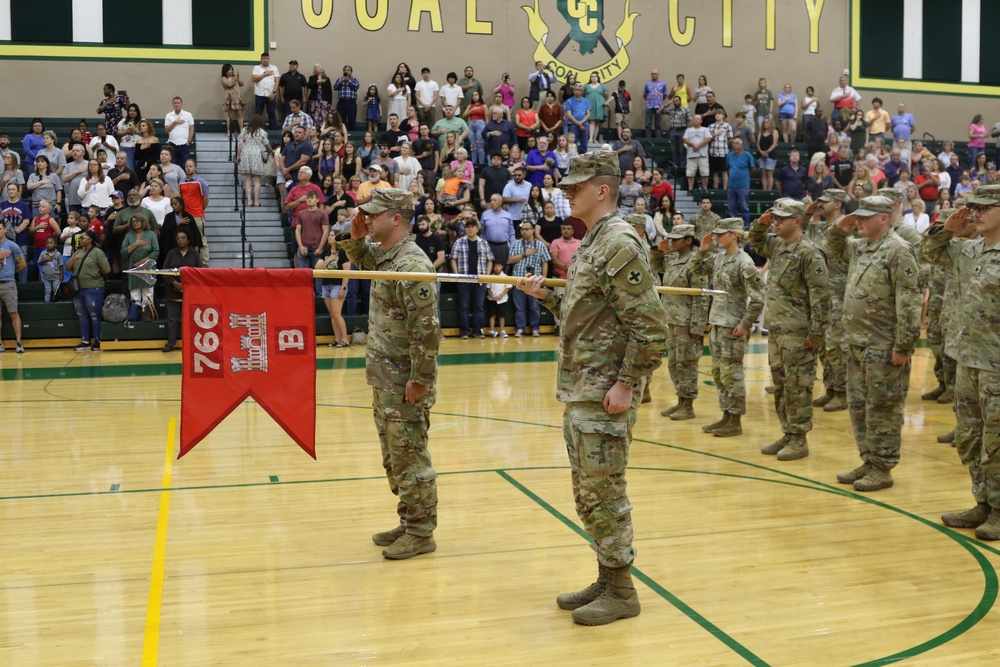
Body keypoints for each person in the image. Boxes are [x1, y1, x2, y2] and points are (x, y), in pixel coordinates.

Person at [517, 150, 667, 626]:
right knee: (588, 493)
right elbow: (586, 321)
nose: (566, 194)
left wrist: (626, 383)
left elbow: (652, 330)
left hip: (604, 393)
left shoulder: (619, 242)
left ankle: (622, 591)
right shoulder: (593, 243)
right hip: (583, 389)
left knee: (605, 494)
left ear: (602, 190)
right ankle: (606, 576)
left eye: (574, 187)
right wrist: (547, 298)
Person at [338, 189, 440, 558]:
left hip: (404, 380)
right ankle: (409, 518)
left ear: (396, 219)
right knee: (395, 456)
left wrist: (421, 379)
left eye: (373, 215)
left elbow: (426, 329)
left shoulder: (412, 264)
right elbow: (364, 260)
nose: (367, 218)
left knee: (410, 456)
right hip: (386, 377)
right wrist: (355, 237)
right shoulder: (388, 256)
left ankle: (421, 531)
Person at [827, 196, 921, 491]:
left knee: (884, 407)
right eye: (858, 216)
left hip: (883, 346)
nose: (859, 221)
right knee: (858, 406)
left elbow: (909, 302)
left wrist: (903, 346)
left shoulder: (898, 250)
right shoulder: (860, 247)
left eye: (865, 217)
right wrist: (839, 230)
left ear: (883, 217)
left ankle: (883, 466)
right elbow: (831, 250)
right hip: (856, 344)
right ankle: (869, 459)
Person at [923, 192, 1000, 538]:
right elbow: (931, 253)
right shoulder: (971, 250)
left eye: (984, 208)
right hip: (968, 359)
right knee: (970, 437)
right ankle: (982, 503)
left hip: (996, 364)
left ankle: (999, 510)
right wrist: (945, 228)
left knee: (996, 441)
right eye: (974, 208)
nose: (976, 213)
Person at [749, 199, 830, 460]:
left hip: (798, 333)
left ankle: (799, 438)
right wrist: (760, 225)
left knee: (799, 387)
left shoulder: (809, 253)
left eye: (781, 219)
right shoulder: (778, 246)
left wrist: (816, 335)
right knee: (782, 387)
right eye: (774, 218)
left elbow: (821, 298)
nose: (776, 223)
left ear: (797, 221)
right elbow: (757, 242)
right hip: (778, 331)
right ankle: (788, 431)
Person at [690, 218, 765, 437]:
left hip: (733, 326)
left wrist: (745, 324)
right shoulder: (719, 259)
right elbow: (697, 270)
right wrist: (702, 251)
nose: (717, 237)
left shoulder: (744, 262)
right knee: (718, 372)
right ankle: (726, 415)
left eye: (722, 233)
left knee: (732, 373)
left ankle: (735, 419)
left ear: (734, 234)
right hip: (717, 323)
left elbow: (759, 297)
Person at [656, 224, 709, 421]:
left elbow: (701, 297)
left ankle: (688, 405)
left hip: (687, 322)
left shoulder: (696, 262)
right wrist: (659, 252)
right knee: (674, 364)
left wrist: (697, 326)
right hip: (672, 319)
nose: (672, 242)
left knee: (687, 363)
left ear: (688, 240)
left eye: (676, 239)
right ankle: (680, 400)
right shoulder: (673, 259)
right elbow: (657, 267)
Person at [65, 229, 110, 351]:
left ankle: (97, 340)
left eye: (82, 238)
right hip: (78, 288)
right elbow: (68, 267)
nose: (80, 240)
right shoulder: (77, 252)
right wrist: (75, 258)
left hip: (93, 288)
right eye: (79, 238)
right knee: (81, 315)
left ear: (90, 240)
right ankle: (85, 341)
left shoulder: (97, 253)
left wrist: (95, 275)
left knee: (95, 315)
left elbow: (107, 270)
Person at [160, 228, 203, 353]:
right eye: (178, 238)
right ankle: (171, 343)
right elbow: (164, 271)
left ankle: (191, 344)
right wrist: (174, 283)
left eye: (183, 238)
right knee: (173, 319)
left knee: (190, 319)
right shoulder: (171, 253)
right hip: (172, 290)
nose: (180, 240)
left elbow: (199, 272)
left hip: (190, 292)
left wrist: (187, 284)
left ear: (188, 240)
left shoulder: (195, 254)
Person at [450, 217, 493, 339]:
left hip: (480, 280)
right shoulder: (459, 242)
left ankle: (478, 331)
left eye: (472, 227)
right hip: (463, 279)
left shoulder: (483, 243)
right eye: (467, 227)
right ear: (465, 229)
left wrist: (487, 276)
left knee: (478, 306)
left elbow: (490, 260)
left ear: (477, 229)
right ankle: (464, 332)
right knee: (464, 306)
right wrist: (457, 275)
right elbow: (453, 259)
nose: (470, 229)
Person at [508, 220, 550, 337]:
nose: (524, 231)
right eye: (522, 229)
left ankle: (535, 328)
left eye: (527, 229)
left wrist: (544, 280)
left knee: (534, 307)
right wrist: (524, 254)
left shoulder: (540, 245)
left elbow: (545, 263)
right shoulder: (516, 244)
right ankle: (520, 329)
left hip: (535, 282)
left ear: (533, 230)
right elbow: (510, 260)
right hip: (519, 281)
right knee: (519, 307)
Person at [0, 221, 26, 352]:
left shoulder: (12, 245)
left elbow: (22, 264)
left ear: (4, 230)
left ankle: (19, 343)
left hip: (8, 283)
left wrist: (10, 272)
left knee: (13, 313)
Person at [237, 114, 269, 208]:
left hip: (246, 154)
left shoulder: (245, 129)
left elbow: (240, 143)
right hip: (256, 154)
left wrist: (238, 156)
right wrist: (271, 150)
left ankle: (249, 201)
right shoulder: (262, 132)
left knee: (248, 179)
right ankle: (256, 202)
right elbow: (267, 144)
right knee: (257, 179)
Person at [726, 138, 755, 226]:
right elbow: (728, 168)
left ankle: (746, 224)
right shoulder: (729, 156)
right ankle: (733, 224)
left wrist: (745, 176)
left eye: (737, 143)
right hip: (731, 186)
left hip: (743, 186)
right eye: (733, 143)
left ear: (741, 145)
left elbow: (752, 168)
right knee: (731, 207)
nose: (735, 145)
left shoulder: (747, 155)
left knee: (744, 206)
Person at [683, 114, 712, 192]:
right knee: (690, 174)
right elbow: (685, 140)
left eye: (698, 119)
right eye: (694, 118)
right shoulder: (688, 130)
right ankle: (690, 189)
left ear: (701, 121)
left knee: (704, 173)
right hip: (691, 155)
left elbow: (708, 139)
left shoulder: (705, 129)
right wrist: (693, 144)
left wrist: (698, 146)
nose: (695, 120)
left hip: (703, 155)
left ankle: (705, 188)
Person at [252, 52, 280, 129]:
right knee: (258, 114)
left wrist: (273, 93)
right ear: (260, 59)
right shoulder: (256, 68)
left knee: (271, 113)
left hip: (270, 94)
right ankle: (257, 130)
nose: (265, 60)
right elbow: (254, 79)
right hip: (259, 94)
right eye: (263, 58)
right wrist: (265, 74)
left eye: (266, 58)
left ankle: (273, 132)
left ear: (269, 59)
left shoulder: (274, 68)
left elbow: (277, 81)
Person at [164, 97, 195, 168]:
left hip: (184, 144)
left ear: (181, 104)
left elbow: (191, 128)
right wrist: (175, 122)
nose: (176, 105)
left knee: (185, 165)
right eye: (175, 103)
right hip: (173, 143)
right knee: (173, 165)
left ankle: (185, 179)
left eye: (178, 103)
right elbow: (167, 129)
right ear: (172, 104)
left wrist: (189, 141)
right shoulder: (168, 115)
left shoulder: (188, 115)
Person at [666, 95, 693, 169]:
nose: (675, 102)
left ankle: (682, 167)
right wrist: (666, 105)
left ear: (680, 101)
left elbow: (690, 121)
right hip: (673, 131)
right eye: (674, 101)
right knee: (674, 150)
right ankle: (675, 166)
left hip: (682, 130)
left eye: (677, 101)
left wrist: (689, 132)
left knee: (682, 150)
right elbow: (658, 112)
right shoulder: (671, 110)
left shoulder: (686, 110)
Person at [485, 261, 510, 337]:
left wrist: (501, 295)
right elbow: (488, 288)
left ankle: (502, 330)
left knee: (501, 315)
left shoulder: (505, 277)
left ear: (502, 267)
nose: (497, 268)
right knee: (492, 315)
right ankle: (491, 331)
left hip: (502, 300)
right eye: (495, 266)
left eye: (498, 266)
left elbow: (508, 288)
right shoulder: (490, 277)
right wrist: (491, 296)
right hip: (492, 299)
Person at [564, 84, 591, 153]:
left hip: (584, 124)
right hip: (573, 124)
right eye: (575, 90)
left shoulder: (586, 101)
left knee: (584, 145)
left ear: (581, 91)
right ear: (573, 91)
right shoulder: (569, 101)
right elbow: (569, 115)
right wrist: (578, 124)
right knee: (572, 144)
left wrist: (582, 122)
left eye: (578, 90)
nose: (577, 91)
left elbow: (588, 114)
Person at [220, 64, 245, 138]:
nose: (231, 71)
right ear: (225, 71)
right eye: (229, 70)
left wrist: (238, 78)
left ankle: (241, 131)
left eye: (231, 69)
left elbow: (242, 84)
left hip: (238, 98)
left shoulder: (234, 77)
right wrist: (234, 79)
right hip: (230, 98)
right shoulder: (223, 78)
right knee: (231, 115)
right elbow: (228, 84)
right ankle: (228, 131)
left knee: (240, 114)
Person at [643, 69, 668, 138]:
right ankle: (648, 139)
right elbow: (644, 95)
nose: (653, 75)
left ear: (658, 75)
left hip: (659, 106)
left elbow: (665, 94)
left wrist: (660, 100)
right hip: (649, 106)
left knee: (658, 125)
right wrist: (648, 100)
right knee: (648, 124)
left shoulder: (663, 84)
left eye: (655, 73)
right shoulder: (647, 84)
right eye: (652, 74)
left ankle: (658, 139)